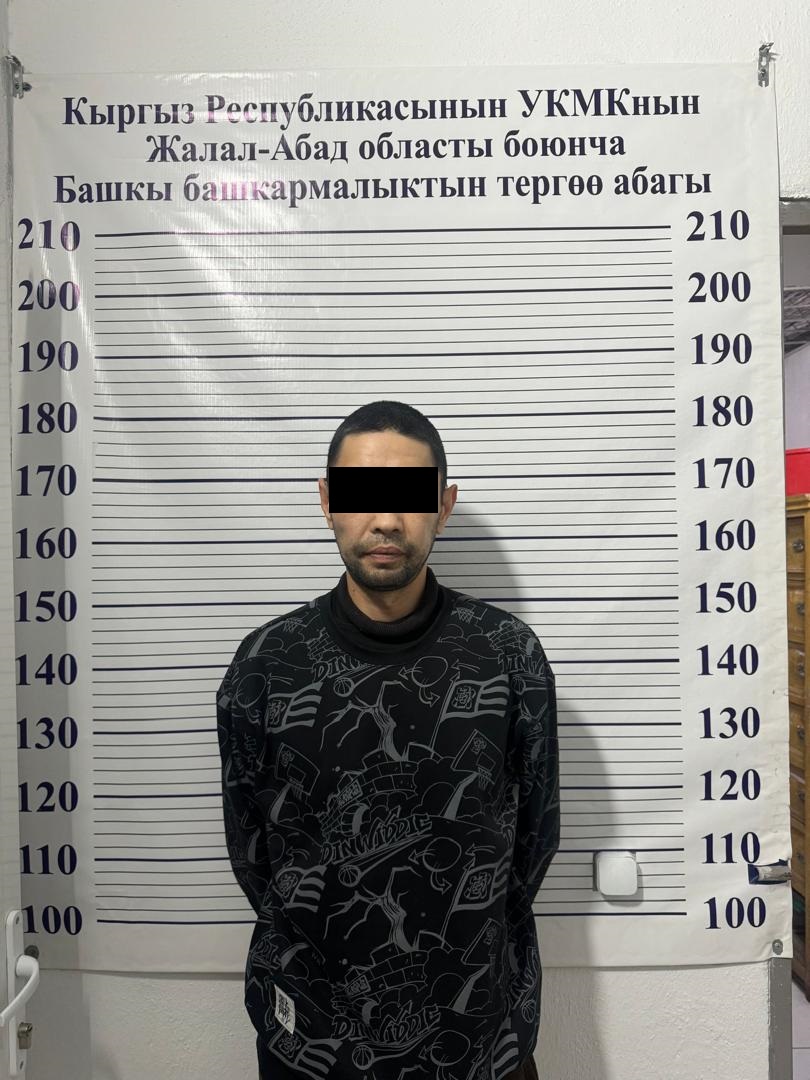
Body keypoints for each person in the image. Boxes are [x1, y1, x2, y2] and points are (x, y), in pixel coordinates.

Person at [217, 400, 558, 1080]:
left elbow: (534, 840)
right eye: (362, 494)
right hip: (311, 1042)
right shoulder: (265, 667)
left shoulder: (507, 656)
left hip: (479, 1043)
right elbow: (254, 856)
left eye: (409, 495)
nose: (385, 520)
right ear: (327, 502)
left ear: (443, 506)